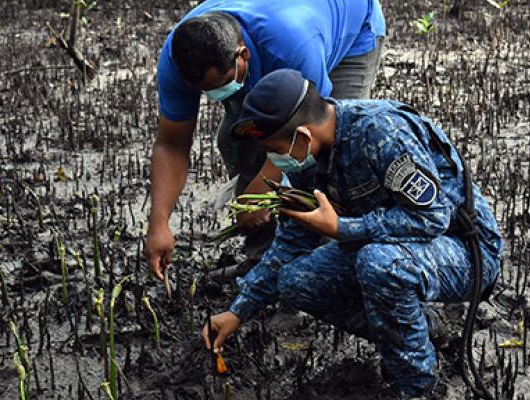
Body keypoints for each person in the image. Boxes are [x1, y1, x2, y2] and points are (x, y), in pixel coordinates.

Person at [201, 69, 504, 397]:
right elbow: (290, 242)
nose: (274, 160)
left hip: (466, 252)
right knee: (295, 281)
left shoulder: (380, 133)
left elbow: (432, 217)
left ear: (302, 136)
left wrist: (341, 228)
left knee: (380, 265)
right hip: (395, 249)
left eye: (273, 149)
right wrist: (238, 310)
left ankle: (418, 388)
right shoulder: (307, 161)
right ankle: (422, 330)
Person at [147, 0, 386, 282]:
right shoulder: (178, 58)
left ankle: (318, 273)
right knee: (236, 140)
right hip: (277, 30)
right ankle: (263, 263)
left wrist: (261, 193)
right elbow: (171, 145)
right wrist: (158, 224)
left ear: (242, 55)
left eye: (220, 85)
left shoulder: (292, 46)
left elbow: (306, 137)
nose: (213, 96)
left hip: (349, 29)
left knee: (327, 159)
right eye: (203, 91)